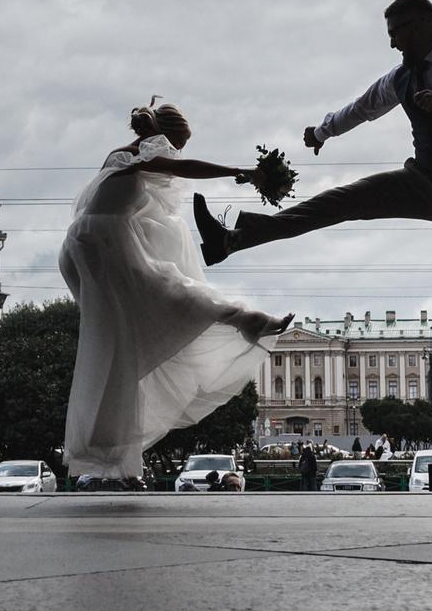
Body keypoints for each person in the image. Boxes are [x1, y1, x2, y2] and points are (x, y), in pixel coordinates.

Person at [195, 0, 432, 338]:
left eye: (395, 33)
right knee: (338, 202)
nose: (393, 44)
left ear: (419, 26)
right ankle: (231, 240)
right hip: (420, 181)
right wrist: (322, 132)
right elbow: (364, 107)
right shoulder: (401, 77)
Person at [60, 99, 295, 487]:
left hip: (83, 247)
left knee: (123, 351)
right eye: (180, 142)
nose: (179, 151)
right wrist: (242, 171)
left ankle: (119, 464)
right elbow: (180, 167)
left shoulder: (120, 155)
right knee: (174, 293)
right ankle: (246, 319)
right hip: (104, 243)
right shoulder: (152, 151)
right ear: (167, 137)